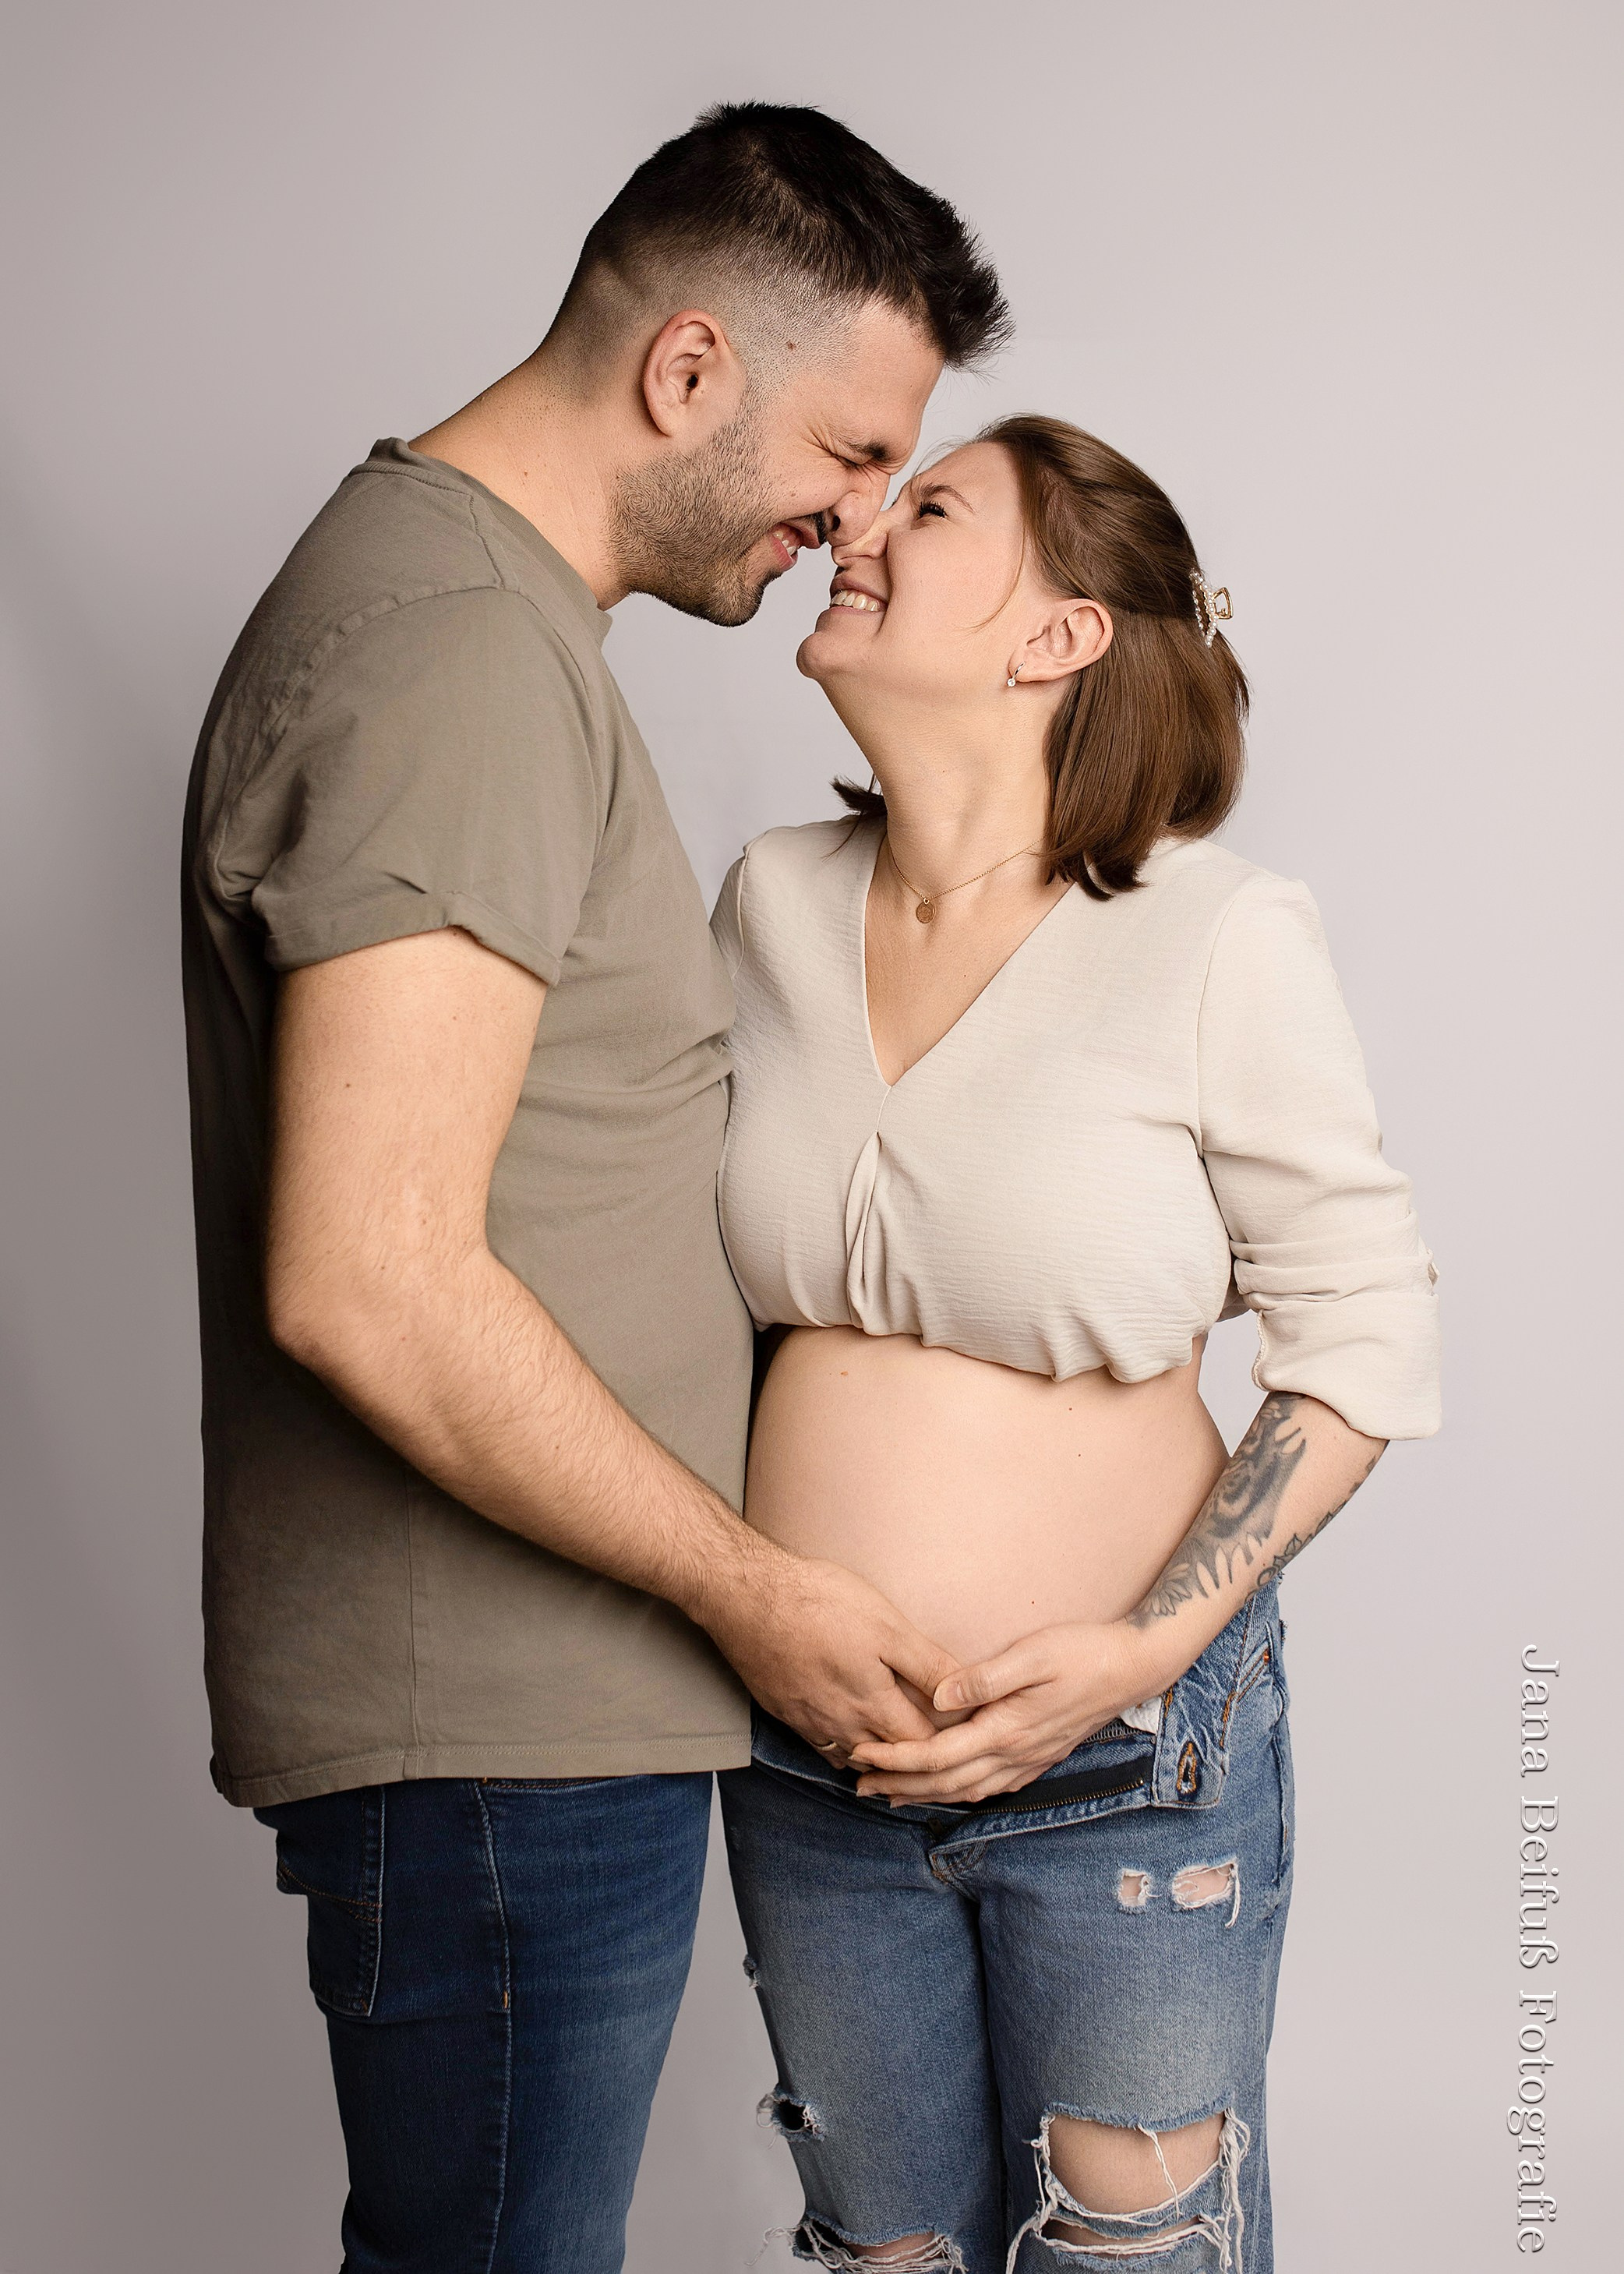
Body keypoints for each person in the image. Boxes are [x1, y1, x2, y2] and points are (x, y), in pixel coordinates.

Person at [180, 103, 1008, 2274]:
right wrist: (751, 1585)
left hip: (539, 1723)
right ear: (686, 373)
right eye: (848, 455)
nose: (856, 531)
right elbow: (367, 1277)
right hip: (495, 1738)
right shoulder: (455, 646)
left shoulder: (489, 623)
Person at [713, 415, 1441, 2272]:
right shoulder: (769, 905)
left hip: (1125, 1761)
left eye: (930, 508)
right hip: (814, 1756)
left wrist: (1141, 1643)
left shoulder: (1216, 934)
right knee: (884, 2252)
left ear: (1059, 637)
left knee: (1135, 2255)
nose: (858, 528)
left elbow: (1357, 1332)